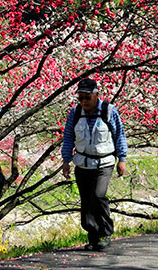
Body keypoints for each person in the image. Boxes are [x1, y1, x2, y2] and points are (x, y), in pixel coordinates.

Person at [61, 78, 128, 250]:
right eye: (80, 98)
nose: (83, 102)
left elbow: (119, 135)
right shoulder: (75, 113)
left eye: (87, 98)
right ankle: (93, 236)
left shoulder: (109, 111)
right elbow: (68, 137)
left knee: (98, 196)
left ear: (96, 95)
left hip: (104, 163)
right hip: (82, 163)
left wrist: (122, 159)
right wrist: (66, 161)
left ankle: (105, 232)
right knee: (86, 201)